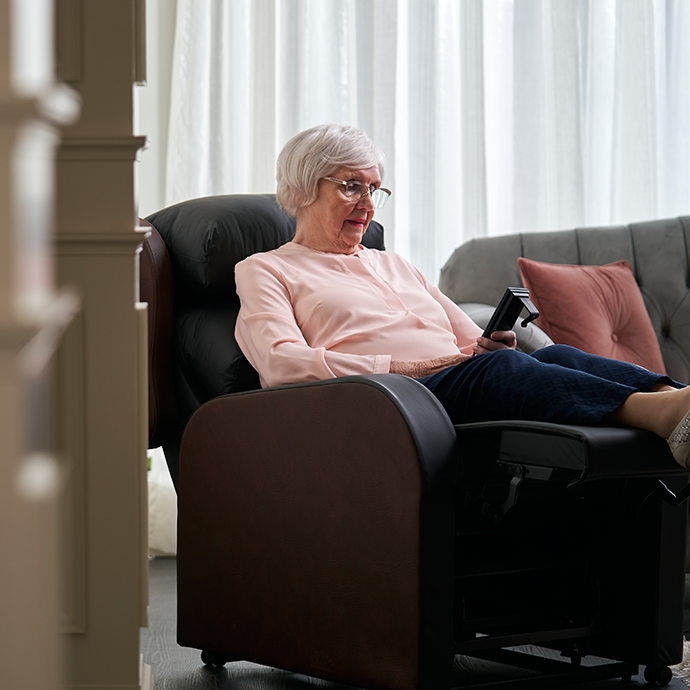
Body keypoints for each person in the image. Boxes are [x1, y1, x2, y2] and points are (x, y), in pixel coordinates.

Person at [235, 123, 690, 469]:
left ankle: (674, 395)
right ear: (301, 189)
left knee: (560, 356)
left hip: (455, 382)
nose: (368, 204)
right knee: (500, 368)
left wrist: (496, 340)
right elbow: (281, 363)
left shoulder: (394, 263)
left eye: (375, 189)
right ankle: (665, 416)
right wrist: (400, 367)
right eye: (352, 185)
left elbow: (471, 339)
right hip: (390, 400)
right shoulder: (267, 269)